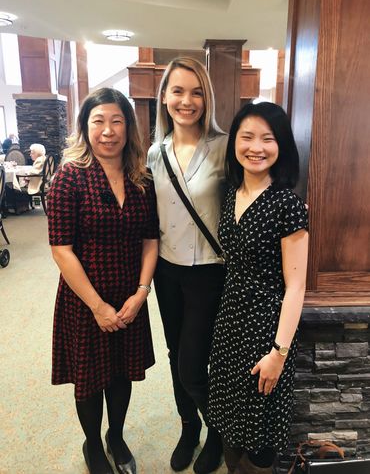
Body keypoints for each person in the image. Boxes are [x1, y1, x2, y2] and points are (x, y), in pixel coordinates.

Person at [47, 87, 159, 474]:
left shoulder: (141, 178)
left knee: (121, 372)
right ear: (85, 127)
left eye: (116, 121)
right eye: (98, 121)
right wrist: (98, 306)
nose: (108, 131)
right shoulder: (69, 178)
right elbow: (61, 249)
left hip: (129, 294)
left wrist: (141, 293)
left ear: (128, 128)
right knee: (90, 379)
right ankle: (93, 444)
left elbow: (150, 238)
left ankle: (116, 435)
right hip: (85, 299)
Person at [208, 102, 309, 474]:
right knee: (232, 427)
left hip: (267, 333)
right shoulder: (230, 193)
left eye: (268, 139)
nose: (256, 147)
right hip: (230, 324)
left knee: (261, 435)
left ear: (281, 145)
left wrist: (278, 353)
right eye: (247, 136)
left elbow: (296, 286)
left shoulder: (288, 205)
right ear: (234, 141)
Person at [147, 57, 228, 474]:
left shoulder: (225, 146)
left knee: (195, 361)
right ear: (164, 97)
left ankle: (218, 430)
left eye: (197, 92)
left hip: (210, 271)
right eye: (178, 91)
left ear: (207, 98)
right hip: (167, 270)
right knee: (176, 349)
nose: (187, 100)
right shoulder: (154, 153)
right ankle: (187, 426)